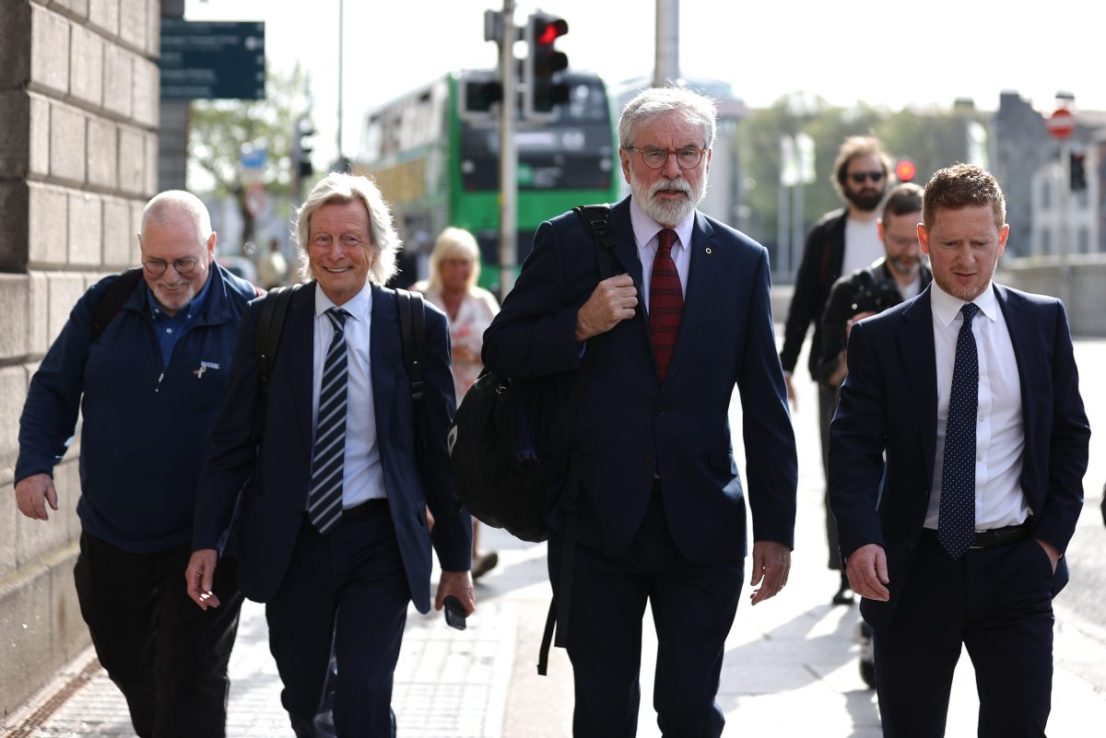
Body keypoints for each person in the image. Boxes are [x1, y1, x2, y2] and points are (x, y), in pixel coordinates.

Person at [482, 86, 798, 737]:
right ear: (626, 162)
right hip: (595, 525)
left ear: (708, 159)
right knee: (603, 712)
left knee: (689, 710)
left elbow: (767, 407)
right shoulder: (570, 243)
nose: (672, 170)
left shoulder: (741, 262)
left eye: (687, 153)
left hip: (703, 527)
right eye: (655, 154)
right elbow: (502, 348)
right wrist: (578, 324)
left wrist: (777, 528)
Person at [185, 172, 474, 738]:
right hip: (293, 542)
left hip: (378, 539)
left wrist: (457, 561)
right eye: (322, 239)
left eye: (350, 239)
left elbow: (440, 456)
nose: (336, 253)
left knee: (364, 693)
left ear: (375, 247)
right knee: (304, 695)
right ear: (305, 246)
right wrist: (207, 539)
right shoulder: (269, 321)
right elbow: (232, 443)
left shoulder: (416, 326)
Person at [829, 164, 1090, 737]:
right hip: (914, 570)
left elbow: (1071, 435)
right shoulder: (882, 338)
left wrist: (1048, 542)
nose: (966, 259)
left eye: (980, 243)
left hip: (1017, 567)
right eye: (950, 244)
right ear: (924, 240)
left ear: (1003, 236)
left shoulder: (1042, 323)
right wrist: (861, 538)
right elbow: (852, 447)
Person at [13, 191, 256, 738]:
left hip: (207, 542)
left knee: (191, 682)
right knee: (126, 660)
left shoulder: (250, 317)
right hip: (113, 534)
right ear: (141, 251)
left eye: (185, 262)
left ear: (212, 248)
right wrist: (35, 464)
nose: (169, 277)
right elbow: (53, 389)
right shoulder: (106, 306)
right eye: (155, 262)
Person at [778, 135, 892, 604]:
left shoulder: (908, 226)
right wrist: (783, 367)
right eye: (859, 176)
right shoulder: (828, 234)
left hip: (900, 371)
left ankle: (890, 556)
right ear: (843, 183)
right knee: (842, 469)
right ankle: (847, 566)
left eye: (876, 175)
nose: (868, 184)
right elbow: (804, 303)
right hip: (838, 371)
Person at [414, 226, 501, 580]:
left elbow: (502, 352)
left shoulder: (483, 303)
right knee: (424, 478)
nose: (457, 270)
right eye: (450, 262)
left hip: (472, 409)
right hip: (425, 408)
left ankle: (471, 553)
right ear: (439, 264)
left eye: (464, 262)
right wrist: (447, 350)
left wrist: (476, 353)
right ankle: (427, 542)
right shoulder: (418, 298)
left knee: (470, 478)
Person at [819, 182, 932, 392]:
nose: (909, 252)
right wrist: (853, 349)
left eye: (917, 241)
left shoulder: (941, 289)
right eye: (900, 241)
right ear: (881, 231)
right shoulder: (849, 291)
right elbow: (827, 376)